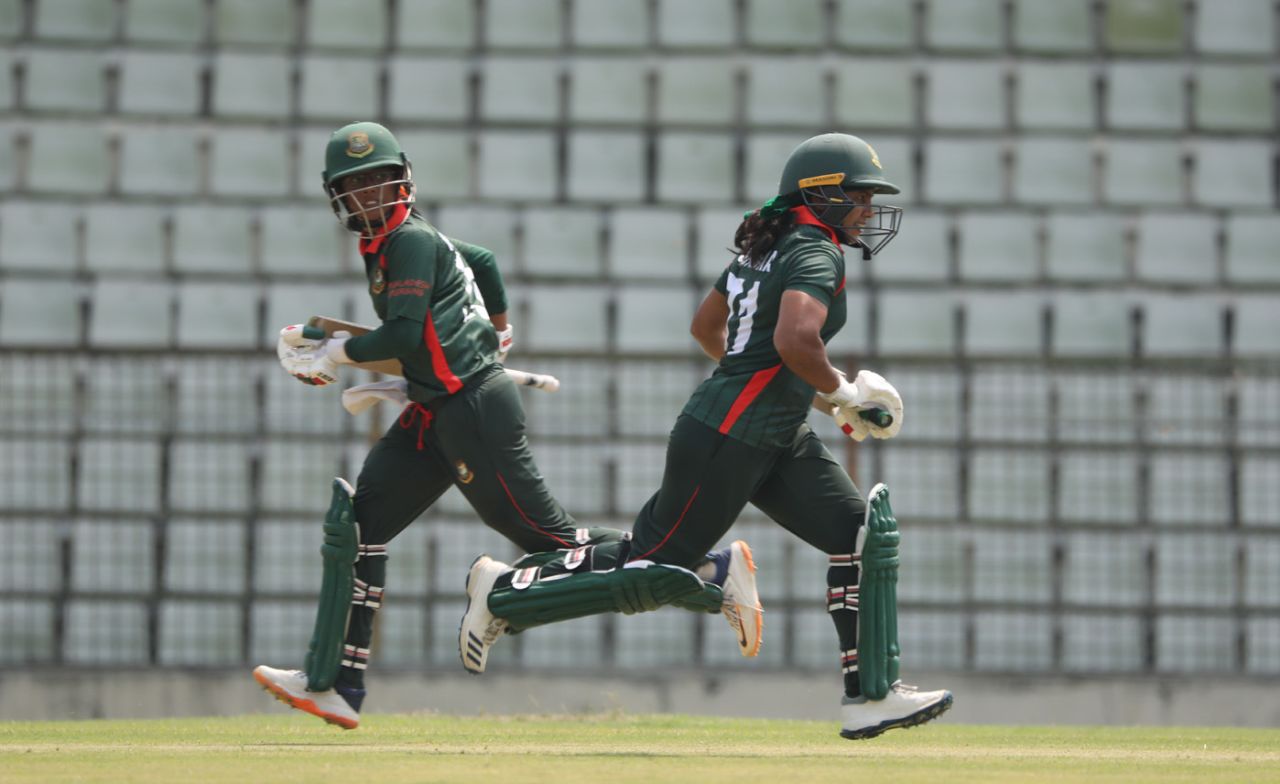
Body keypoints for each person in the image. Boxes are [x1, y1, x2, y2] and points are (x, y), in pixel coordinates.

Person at [252, 122, 756, 730]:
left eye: (379, 181)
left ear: (401, 179)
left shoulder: (410, 243)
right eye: (355, 187)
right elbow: (482, 263)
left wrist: (335, 353)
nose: (370, 196)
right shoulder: (395, 247)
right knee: (359, 529)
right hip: (435, 408)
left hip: (472, 412)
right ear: (339, 198)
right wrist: (498, 327)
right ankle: (334, 683)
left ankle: (709, 575)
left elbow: (406, 335)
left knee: (557, 545)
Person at [458, 132, 953, 740]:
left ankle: (869, 695)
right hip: (730, 434)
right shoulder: (816, 251)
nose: (869, 210)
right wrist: (844, 391)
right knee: (652, 567)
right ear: (820, 196)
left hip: (769, 431)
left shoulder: (770, 246)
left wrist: (812, 395)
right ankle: (502, 592)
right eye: (859, 195)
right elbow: (796, 340)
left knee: (859, 538)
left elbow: (707, 328)